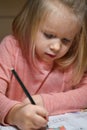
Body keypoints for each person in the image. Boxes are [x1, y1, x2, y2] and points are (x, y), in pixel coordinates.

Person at [0, 0, 87, 129]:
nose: (56, 47)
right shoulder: (11, 47)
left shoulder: (71, 58)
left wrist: (46, 102)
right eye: (49, 35)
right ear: (29, 25)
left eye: (66, 40)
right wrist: (14, 113)